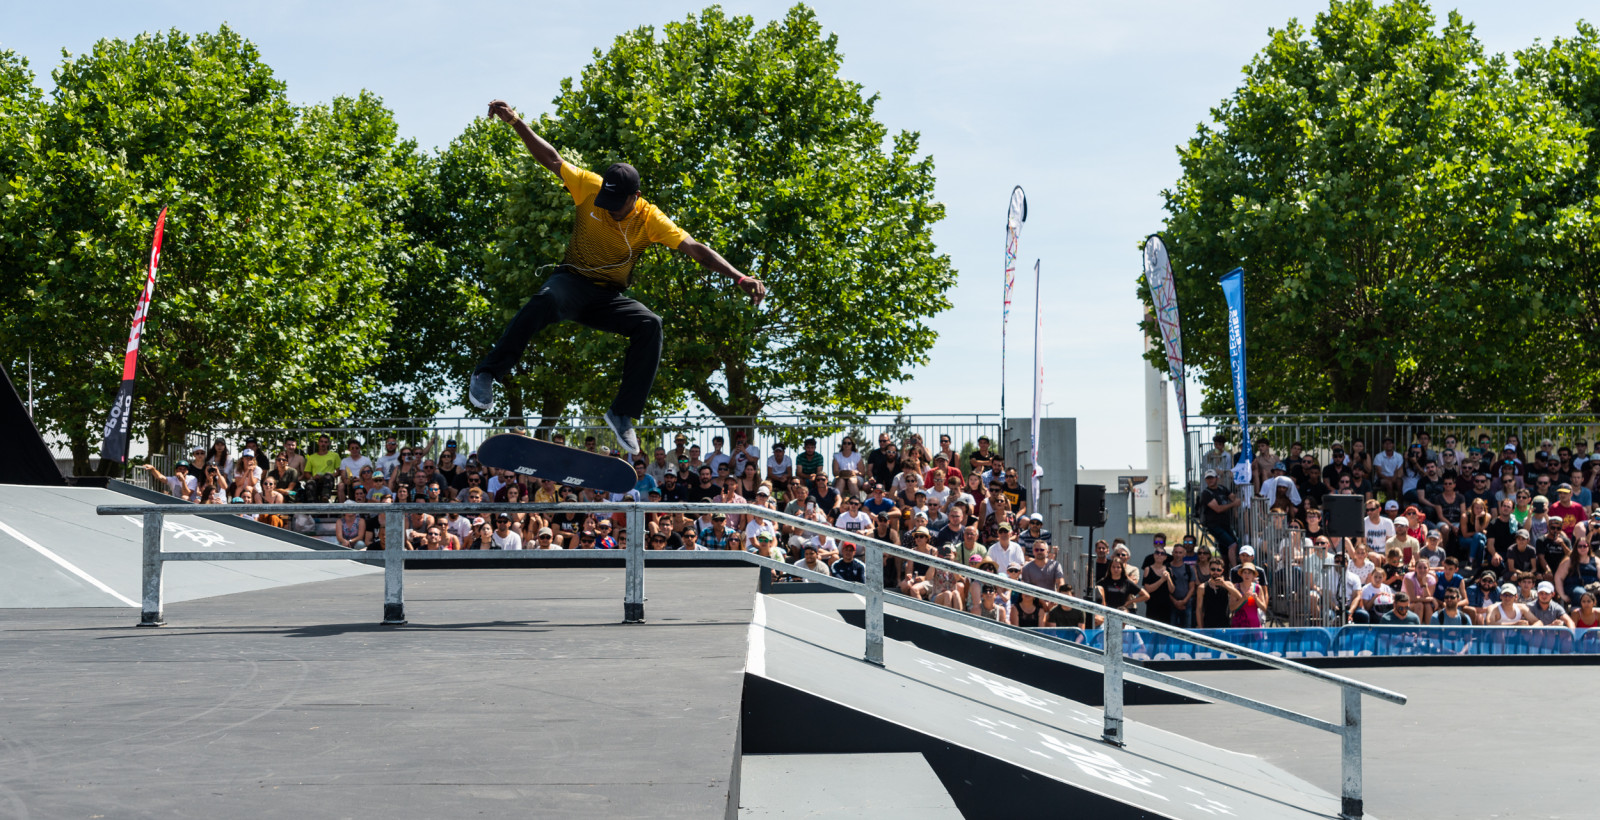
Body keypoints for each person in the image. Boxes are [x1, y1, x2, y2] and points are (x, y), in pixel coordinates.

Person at [468, 100, 767, 454]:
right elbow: (551, 158)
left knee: (650, 324)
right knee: (544, 299)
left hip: (607, 298)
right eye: (605, 203)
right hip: (571, 283)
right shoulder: (590, 186)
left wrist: (739, 277)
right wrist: (516, 121)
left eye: (617, 205)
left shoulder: (651, 219)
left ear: (635, 197)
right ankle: (487, 373)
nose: (609, 210)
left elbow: (696, 249)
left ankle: (623, 413)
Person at [1196, 558, 1238, 629]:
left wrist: (1224, 584)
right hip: (1208, 625)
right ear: (1209, 570)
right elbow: (1199, 609)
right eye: (1213, 569)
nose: (1215, 572)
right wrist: (1200, 628)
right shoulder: (1202, 587)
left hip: (1225, 625)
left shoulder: (1227, 584)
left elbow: (1239, 596)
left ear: (1222, 571)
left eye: (1218, 570)